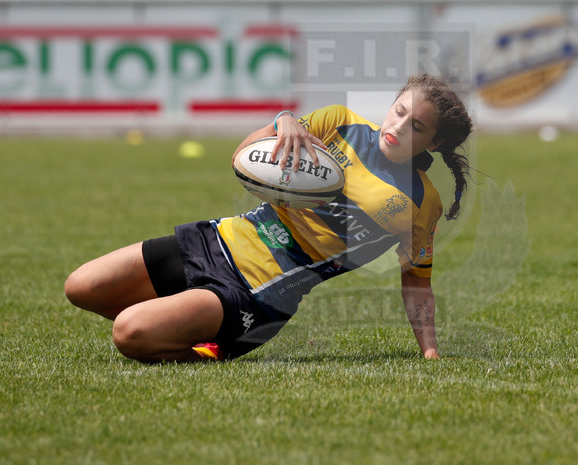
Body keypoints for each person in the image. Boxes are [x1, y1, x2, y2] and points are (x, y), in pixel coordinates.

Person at [65, 74, 473, 362]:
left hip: (259, 293)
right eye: (399, 110)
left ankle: (216, 348)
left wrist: (430, 350)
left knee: (129, 332)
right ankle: (179, 320)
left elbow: (417, 282)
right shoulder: (340, 122)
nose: (398, 127)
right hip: (219, 238)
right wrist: (282, 122)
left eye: (416, 126)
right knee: (81, 287)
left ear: (434, 142)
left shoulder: (422, 202)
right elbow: (242, 160)